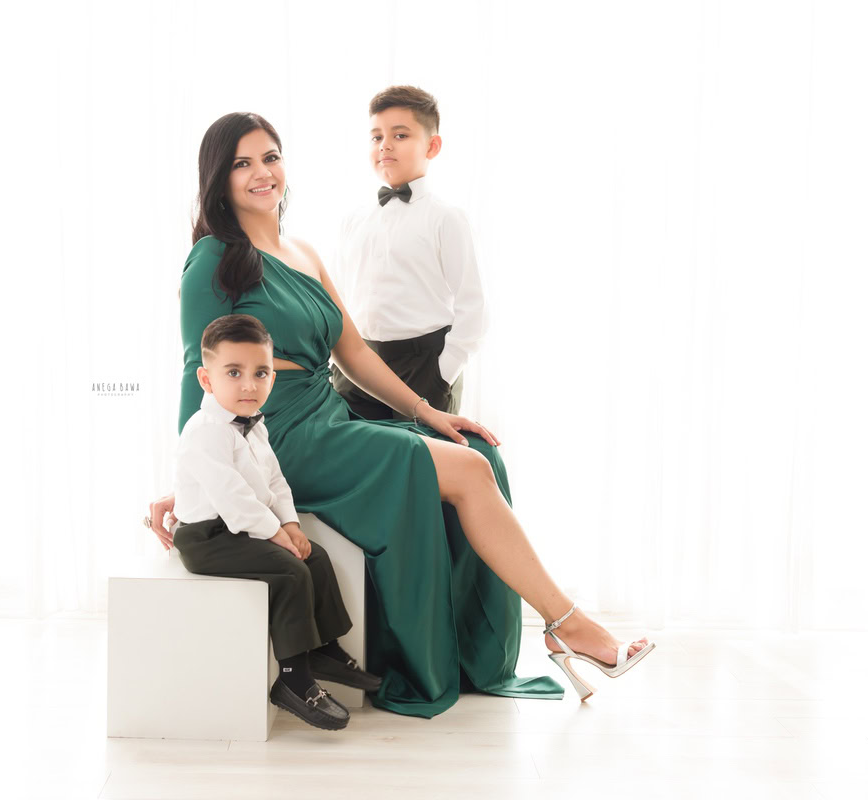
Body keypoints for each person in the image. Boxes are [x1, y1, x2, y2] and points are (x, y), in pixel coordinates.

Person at [148, 111, 654, 717]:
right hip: (279, 435)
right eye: (243, 163)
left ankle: (476, 652)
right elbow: (193, 372)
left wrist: (428, 413)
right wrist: (186, 479)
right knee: (468, 475)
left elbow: (353, 350)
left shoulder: (302, 251)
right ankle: (569, 625)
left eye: (271, 157)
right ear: (218, 179)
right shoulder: (213, 259)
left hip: (326, 412)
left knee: (477, 454)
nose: (262, 173)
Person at [171, 312, 381, 731]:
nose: (249, 384)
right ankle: (292, 680)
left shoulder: (255, 427)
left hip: (245, 527)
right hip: (208, 536)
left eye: (261, 372)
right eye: (234, 372)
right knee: (288, 571)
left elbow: (274, 482)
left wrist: (292, 526)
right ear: (207, 379)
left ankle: (325, 649)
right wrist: (275, 534)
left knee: (315, 558)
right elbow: (233, 499)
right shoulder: (205, 431)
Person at [332, 85, 486, 420]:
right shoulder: (352, 220)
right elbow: (339, 296)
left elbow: (472, 307)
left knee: (422, 465)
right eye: (376, 137)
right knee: (359, 465)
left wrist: (442, 374)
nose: (385, 144)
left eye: (400, 135)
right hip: (358, 366)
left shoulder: (447, 218)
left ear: (432, 146)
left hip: (424, 367)